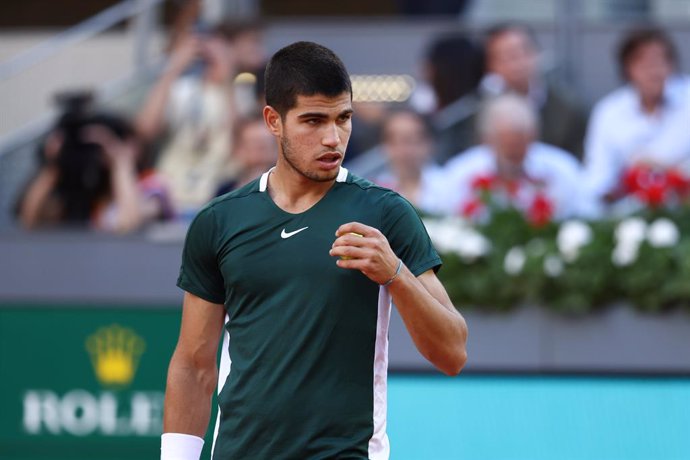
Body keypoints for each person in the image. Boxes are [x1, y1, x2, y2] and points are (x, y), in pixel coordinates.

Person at [162, 41, 468, 460]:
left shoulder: (386, 212)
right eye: (313, 120)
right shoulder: (219, 221)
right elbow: (194, 365)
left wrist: (394, 273)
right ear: (273, 120)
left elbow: (452, 352)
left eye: (344, 118)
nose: (332, 137)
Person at [136, 20, 265, 217]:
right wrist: (173, 67)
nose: (259, 51)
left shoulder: (244, 93)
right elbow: (145, 129)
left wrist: (227, 76)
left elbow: (237, 139)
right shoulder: (183, 89)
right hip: (168, 191)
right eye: (251, 42)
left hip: (220, 191)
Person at [17, 93, 171, 233]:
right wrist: (54, 166)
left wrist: (120, 162)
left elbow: (129, 223)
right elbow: (29, 221)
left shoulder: (152, 183)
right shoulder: (90, 189)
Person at [441, 93, 593, 222]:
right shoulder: (460, 173)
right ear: (486, 140)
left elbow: (586, 215)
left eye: (519, 143)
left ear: (533, 136)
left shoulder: (562, 169)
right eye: (505, 143)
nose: (513, 152)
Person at [583, 27, 690, 204]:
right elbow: (597, 177)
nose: (653, 70)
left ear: (671, 65)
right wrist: (625, 183)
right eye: (643, 63)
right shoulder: (608, 112)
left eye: (659, 61)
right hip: (628, 214)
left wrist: (669, 172)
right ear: (627, 69)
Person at [481, 22, 588, 159]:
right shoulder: (479, 109)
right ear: (490, 66)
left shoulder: (568, 108)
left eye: (523, 52)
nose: (516, 63)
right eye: (506, 56)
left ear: (537, 54)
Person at [373, 108, 447, 215]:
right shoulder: (376, 192)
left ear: (429, 142)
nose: (404, 151)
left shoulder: (449, 185)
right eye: (395, 142)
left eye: (412, 140)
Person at [214, 114, 278, 195]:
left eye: (270, 143)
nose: (263, 153)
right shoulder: (225, 191)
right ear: (238, 149)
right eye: (256, 144)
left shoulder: (290, 191)